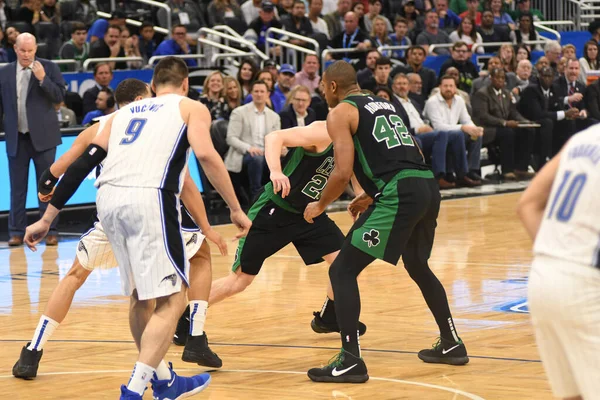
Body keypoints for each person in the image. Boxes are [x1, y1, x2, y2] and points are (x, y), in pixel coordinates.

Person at [22, 57, 251, 399]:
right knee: (173, 298)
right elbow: (205, 155)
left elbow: (81, 162)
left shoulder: (115, 117)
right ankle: (135, 389)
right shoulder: (189, 108)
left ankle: (163, 379)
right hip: (150, 200)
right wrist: (234, 208)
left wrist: (46, 217)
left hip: (108, 204)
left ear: (154, 85)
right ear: (185, 84)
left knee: (140, 298)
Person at [305, 61, 469, 383]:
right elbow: (411, 152)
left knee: (342, 269)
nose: (322, 91)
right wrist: (372, 194)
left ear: (333, 86)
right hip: (424, 183)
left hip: (400, 191)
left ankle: (351, 358)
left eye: (323, 86)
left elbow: (341, 171)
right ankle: (451, 342)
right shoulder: (384, 104)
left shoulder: (340, 112)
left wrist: (320, 204)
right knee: (418, 265)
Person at [207, 120, 368, 339]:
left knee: (346, 263)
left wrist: (360, 198)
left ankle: (329, 317)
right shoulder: (323, 131)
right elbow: (274, 137)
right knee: (239, 280)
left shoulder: (355, 143)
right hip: (275, 210)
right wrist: (275, 171)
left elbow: (352, 174)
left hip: (310, 214)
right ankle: (185, 315)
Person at [517, 126, 600, 400]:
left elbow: (527, 204)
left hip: (544, 276)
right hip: (586, 282)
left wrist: (560, 253)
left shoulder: (582, 139)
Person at [0, 33, 65, 247]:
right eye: (22, 50)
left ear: (36, 49)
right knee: (17, 188)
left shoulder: (49, 67)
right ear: (15, 49)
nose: (27, 54)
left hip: (44, 140)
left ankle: (51, 230)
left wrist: (42, 79)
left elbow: (59, 97)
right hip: (17, 138)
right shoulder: (5, 72)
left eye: (30, 50)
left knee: (46, 188)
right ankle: (16, 232)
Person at [472, 68, 534, 180]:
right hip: (486, 129)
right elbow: (483, 116)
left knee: (527, 130)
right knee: (507, 133)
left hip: (502, 127)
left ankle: (521, 168)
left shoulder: (506, 93)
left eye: (502, 78)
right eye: (497, 78)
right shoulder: (482, 94)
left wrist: (525, 121)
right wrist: (504, 122)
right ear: (491, 78)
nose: (500, 80)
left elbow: (513, 112)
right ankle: (507, 170)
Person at [225, 80, 281, 199]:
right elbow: (231, 138)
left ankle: (281, 197)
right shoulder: (239, 112)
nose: (259, 94)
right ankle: (255, 196)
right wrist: (249, 148)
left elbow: (276, 140)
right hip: (244, 154)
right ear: (251, 93)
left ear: (268, 94)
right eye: (256, 91)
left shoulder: (274, 117)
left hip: (266, 154)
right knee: (257, 159)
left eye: (262, 91)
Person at [424, 75, 484, 183]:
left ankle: (471, 170)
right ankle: (462, 174)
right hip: (438, 136)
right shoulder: (432, 102)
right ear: (440, 87)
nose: (448, 89)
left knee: (476, 136)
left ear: (455, 88)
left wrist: (474, 129)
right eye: (445, 86)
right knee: (459, 134)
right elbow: (438, 126)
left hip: (455, 134)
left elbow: (466, 119)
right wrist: (462, 127)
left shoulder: (459, 100)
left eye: (451, 86)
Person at [517, 66, 577, 171]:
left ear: (553, 77)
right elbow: (538, 114)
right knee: (548, 123)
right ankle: (543, 162)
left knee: (568, 123)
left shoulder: (555, 88)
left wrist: (569, 114)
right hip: (528, 121)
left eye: (550, 76)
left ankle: (565, 159)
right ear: (539, 76)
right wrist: (564, 113)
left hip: (545, 121)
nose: (547, 79)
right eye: (545, 76)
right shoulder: (532, 90)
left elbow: (558, 107)